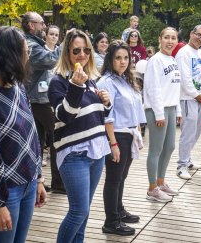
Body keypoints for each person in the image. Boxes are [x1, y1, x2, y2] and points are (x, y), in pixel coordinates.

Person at [0, 26, 47, 243]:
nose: (27, 57)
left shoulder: (18, 86)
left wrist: (38, 178)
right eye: (25, 51)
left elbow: (31, 137)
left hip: (28, 183)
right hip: (4, 192)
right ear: (10, 54)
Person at [48, 28, 111, 243]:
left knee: (84, 213)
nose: (82, 55)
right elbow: (65, 115)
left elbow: (96, 117)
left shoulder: (90, 80)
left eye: (86, 50)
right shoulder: (58, 82)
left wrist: (106, 103)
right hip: (74, 154)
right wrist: (75, 85)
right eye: (76, 51)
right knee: (78, 211)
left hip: (96, 153)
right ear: (67, 53)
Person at [97, 40, 146, 236]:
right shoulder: (105, 82)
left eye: (126, 57)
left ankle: (119, 209)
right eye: (118, 58)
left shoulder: (126, 79)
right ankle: (111, 221)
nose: (123, 61)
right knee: (113, 179)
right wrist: (113, 143)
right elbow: (106, 114)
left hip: (128, 133)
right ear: (110, 59)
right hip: (116, 134)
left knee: (122, 177)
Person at [21, 12, 64, 194]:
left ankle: (36, 180)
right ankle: (58, 184)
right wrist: (65, 44)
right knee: (58, 137)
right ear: (31, 25)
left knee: (37, 142)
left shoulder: (33, 43)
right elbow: (50, 60)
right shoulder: (30, 44)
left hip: (37, 99)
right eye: (41, 23)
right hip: (40, 101)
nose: (44, 27)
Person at [144, 27, 180, 202]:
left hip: (171, 108)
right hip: (158, 109)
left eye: (173, 38)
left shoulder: (172, 59)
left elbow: (175, 87)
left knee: (170, 147)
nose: (170, 41)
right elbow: (153, 88)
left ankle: (161, 182)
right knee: (156, 149)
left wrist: (177, 110)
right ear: (160, 39)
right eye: (166, 37)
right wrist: (159, 113)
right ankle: (152, 189)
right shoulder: (155, 60)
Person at [176, 24, 201, 180]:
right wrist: (195, 94)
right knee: (188, 132)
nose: (200, 38)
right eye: (198, 35)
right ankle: (181, 165)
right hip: (187, 98)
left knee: (197, 131)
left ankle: (188, 159)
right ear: (191, 34)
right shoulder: (183, 53)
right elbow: (184, 78)